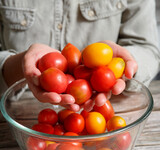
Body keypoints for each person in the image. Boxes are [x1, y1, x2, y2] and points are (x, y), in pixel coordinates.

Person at [0, 0, 160, 111]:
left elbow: (148, 49)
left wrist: (126, 67)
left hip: (108, 106)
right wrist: (20, 63)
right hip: (18, 111)